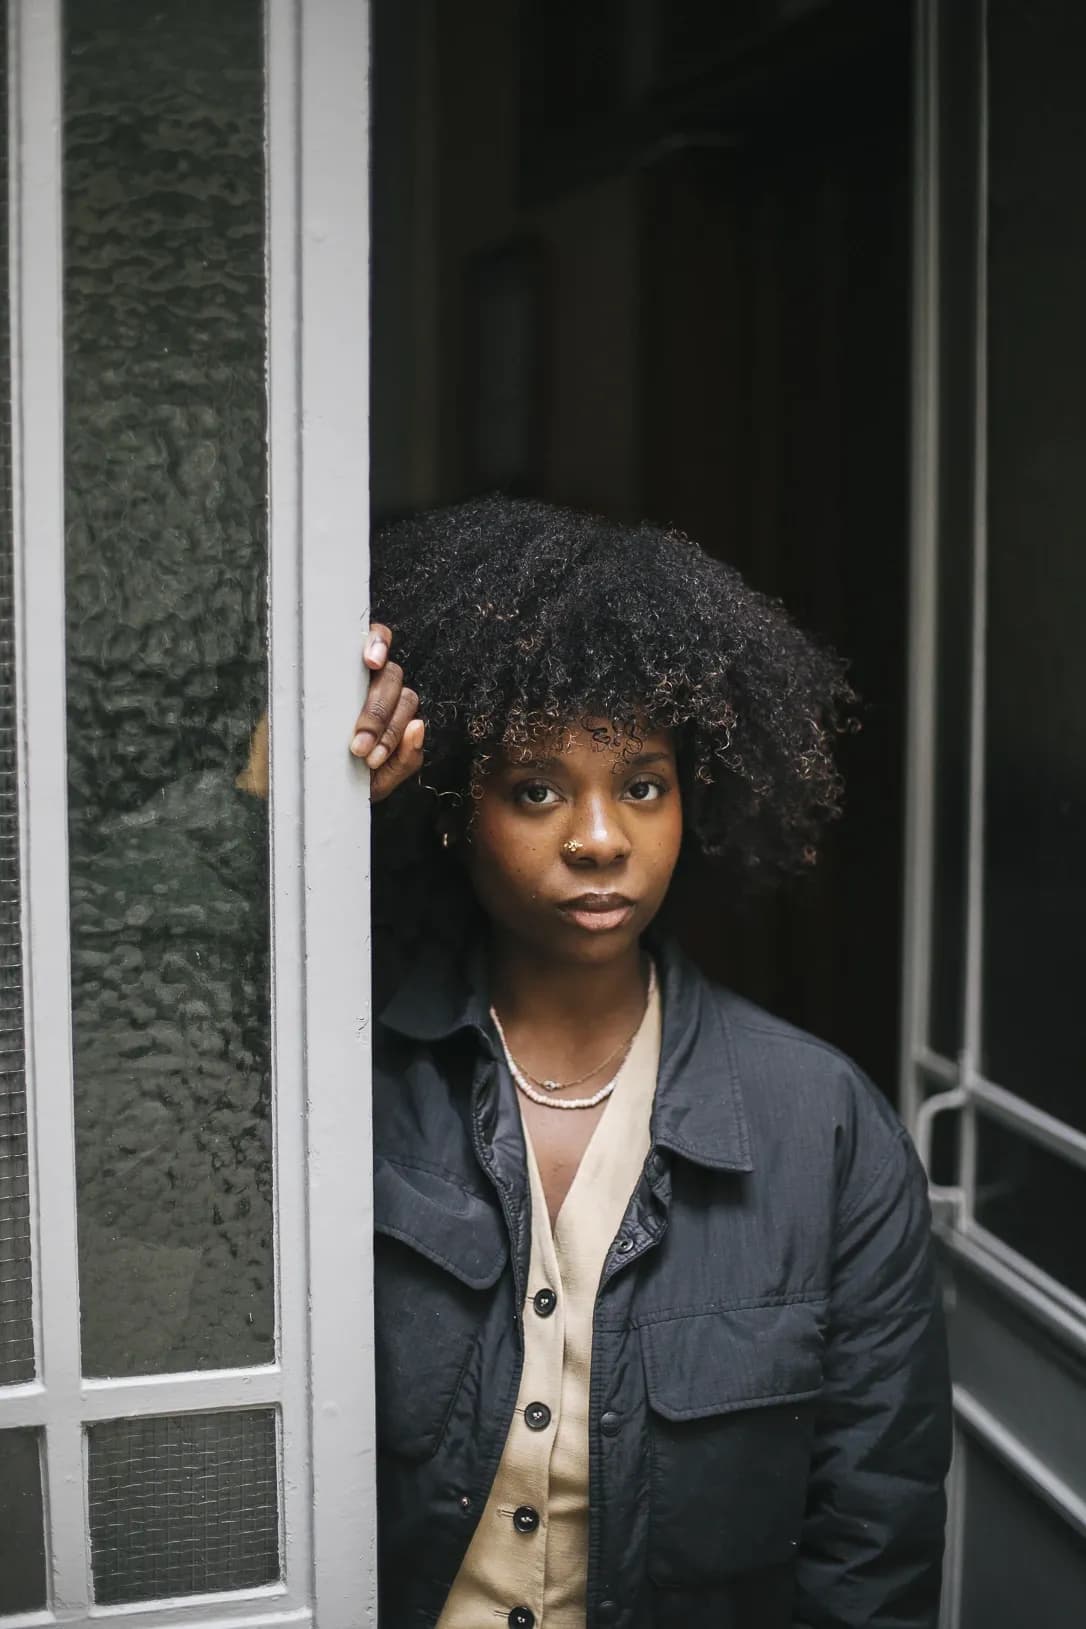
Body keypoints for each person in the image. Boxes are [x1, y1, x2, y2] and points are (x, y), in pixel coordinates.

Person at [349, 495, 951, 1629]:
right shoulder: (350, 1078)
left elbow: (873, 1536)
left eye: (641, 785)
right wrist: (270, 808)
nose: (600, 838)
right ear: (459, 806)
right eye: (537, 789)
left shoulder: (824, 1126)